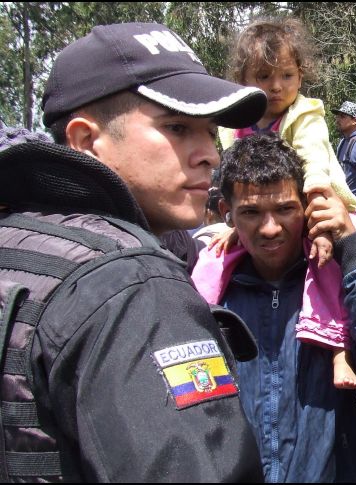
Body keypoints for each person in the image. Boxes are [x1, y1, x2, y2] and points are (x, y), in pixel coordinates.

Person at [0, 22, 268, 481]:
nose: (209, 155)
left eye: (209, 132)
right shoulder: (135, 287)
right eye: (178, 127)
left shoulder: (20, 240)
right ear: (87, 141)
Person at [190, 133, 356, 482]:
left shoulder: (341, 282)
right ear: (225, 213)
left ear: (307, 206)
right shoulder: (209, 291)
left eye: (285, 209)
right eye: (250, 212)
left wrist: (353, 247)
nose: (270, 228)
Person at [217, 15, 356, 387]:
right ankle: (204, 325)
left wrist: (319, 226)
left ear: (301, 74)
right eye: (264, 77)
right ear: (245, 81)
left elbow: (314, 162)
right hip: (265, 210)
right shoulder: (234, 123)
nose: (277, 86)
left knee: (327, 266)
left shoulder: (306, 113)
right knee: (212, 259)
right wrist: (232, 224)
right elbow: (231, 178)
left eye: (286, 75)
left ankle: (339, 349)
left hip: (315, 198)